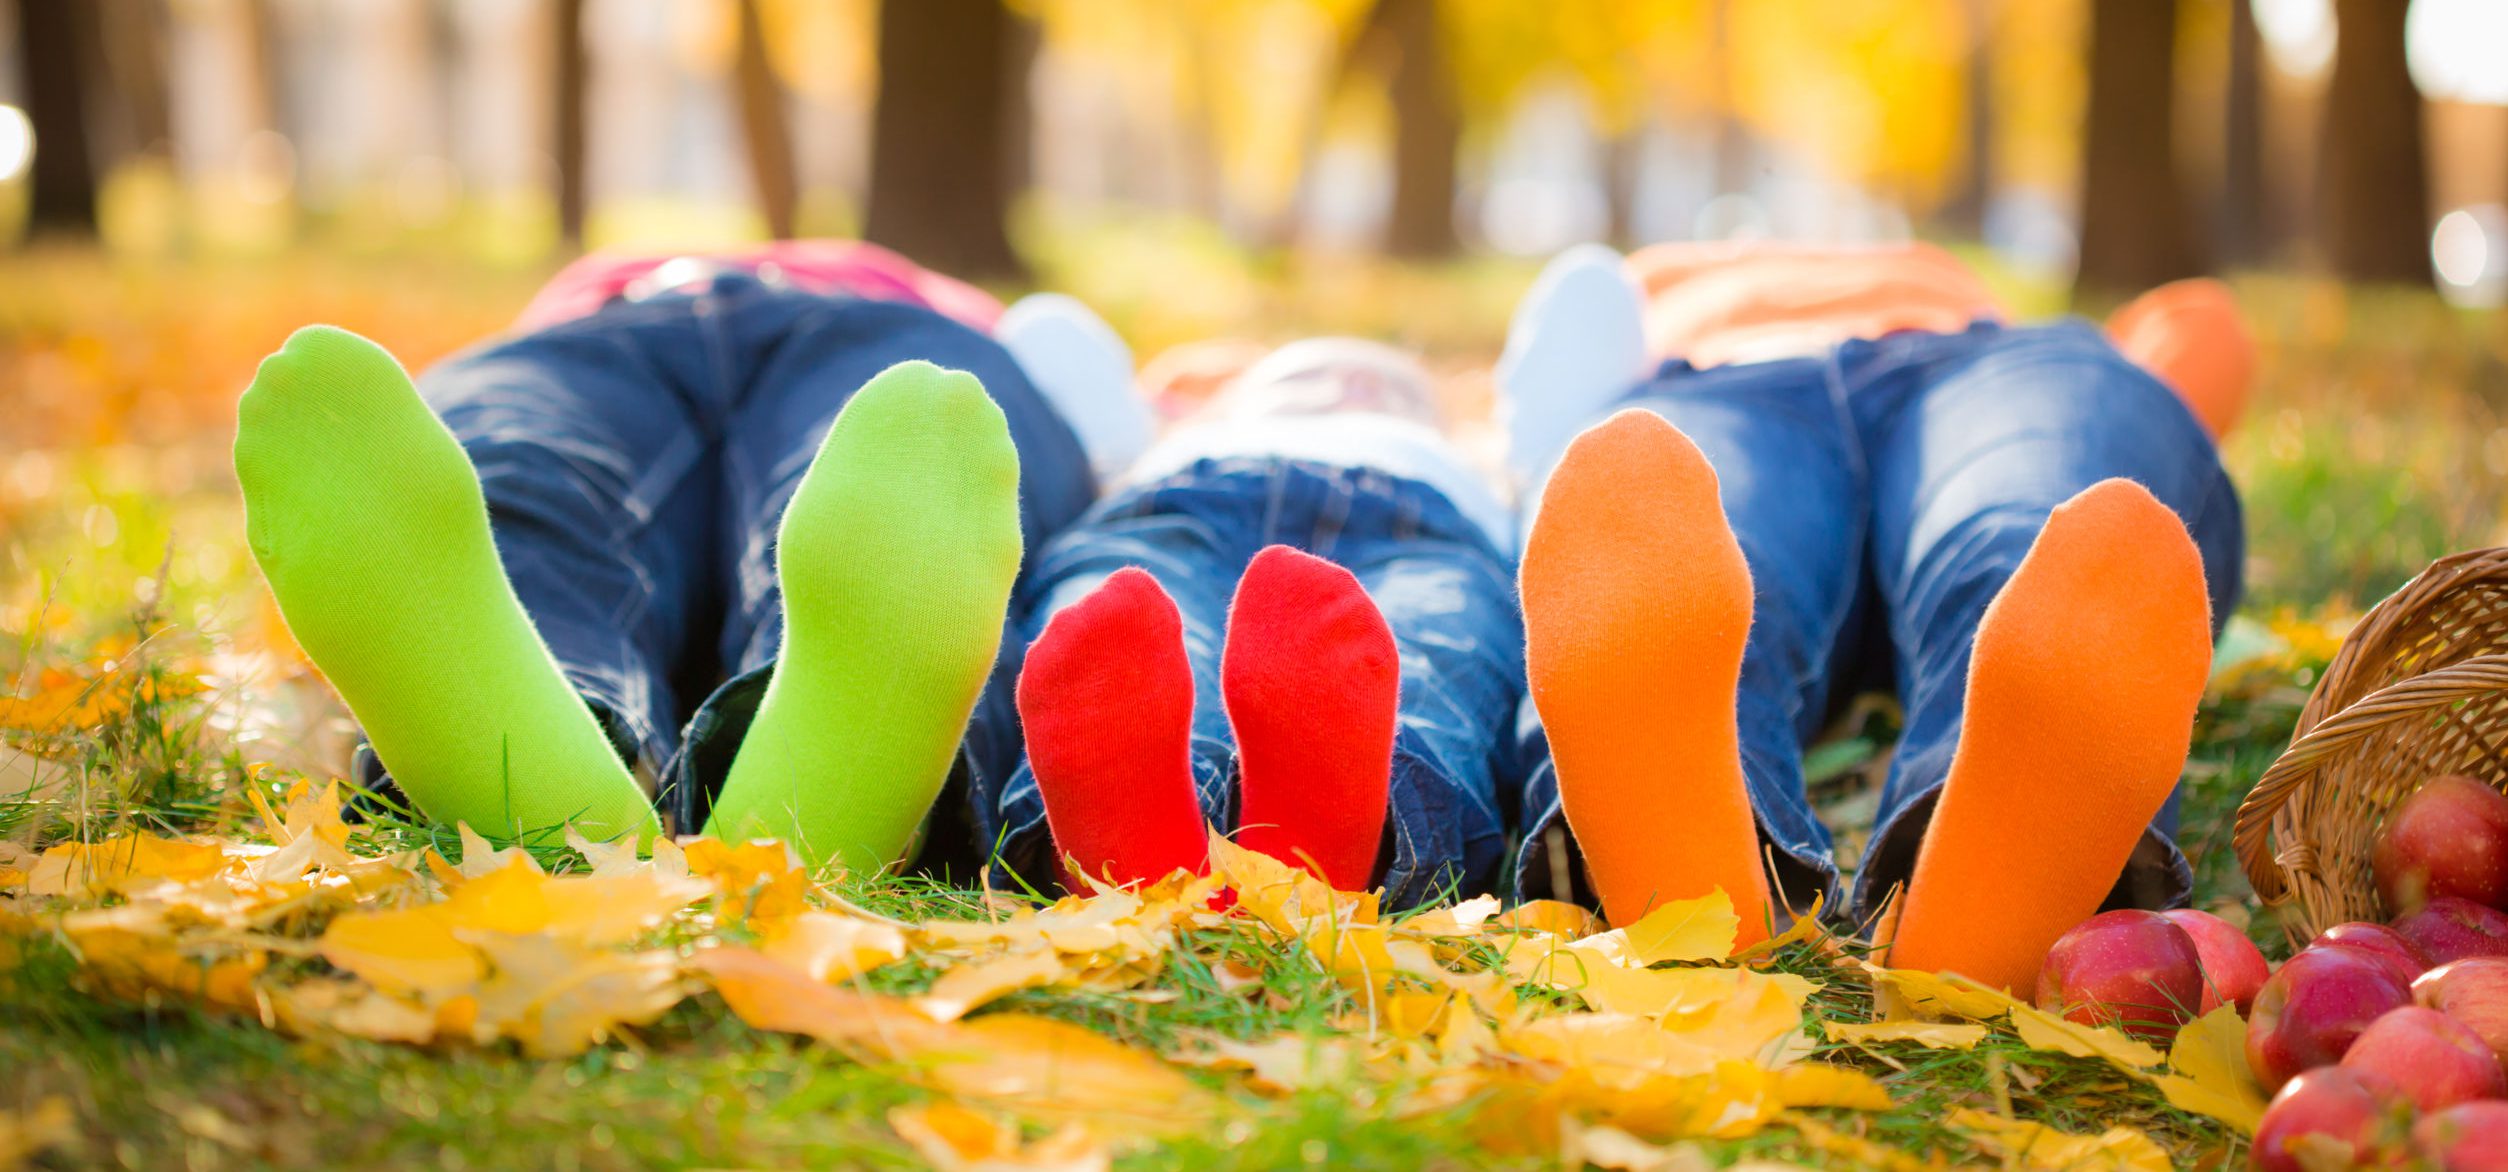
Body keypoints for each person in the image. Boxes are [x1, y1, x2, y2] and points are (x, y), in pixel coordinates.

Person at [233, 242, 1145, 873]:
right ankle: (823, 809)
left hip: (683, 332)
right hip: (655, 328)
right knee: (528, 473)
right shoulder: (977, 315)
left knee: (539, 483)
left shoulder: (974, 317)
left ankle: (551, 782)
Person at [1495, 241, 2251, 993]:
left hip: (1957, 361)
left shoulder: (1644, 268)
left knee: (2050, 563)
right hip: (1747, 379)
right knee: (1654, 547)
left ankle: (1723, 912)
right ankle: (1957, 918)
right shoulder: (1642, 283)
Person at [992, 339, 1526, 911]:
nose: (1351, 384)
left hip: (1422, 526)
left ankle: (1303, 853)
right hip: (1185, 501)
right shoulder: (1172, 436)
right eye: (1306, 374)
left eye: (1389, 386)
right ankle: (1145, 849)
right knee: (1116, 643)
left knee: (1425, 651)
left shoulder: (1482, 460)